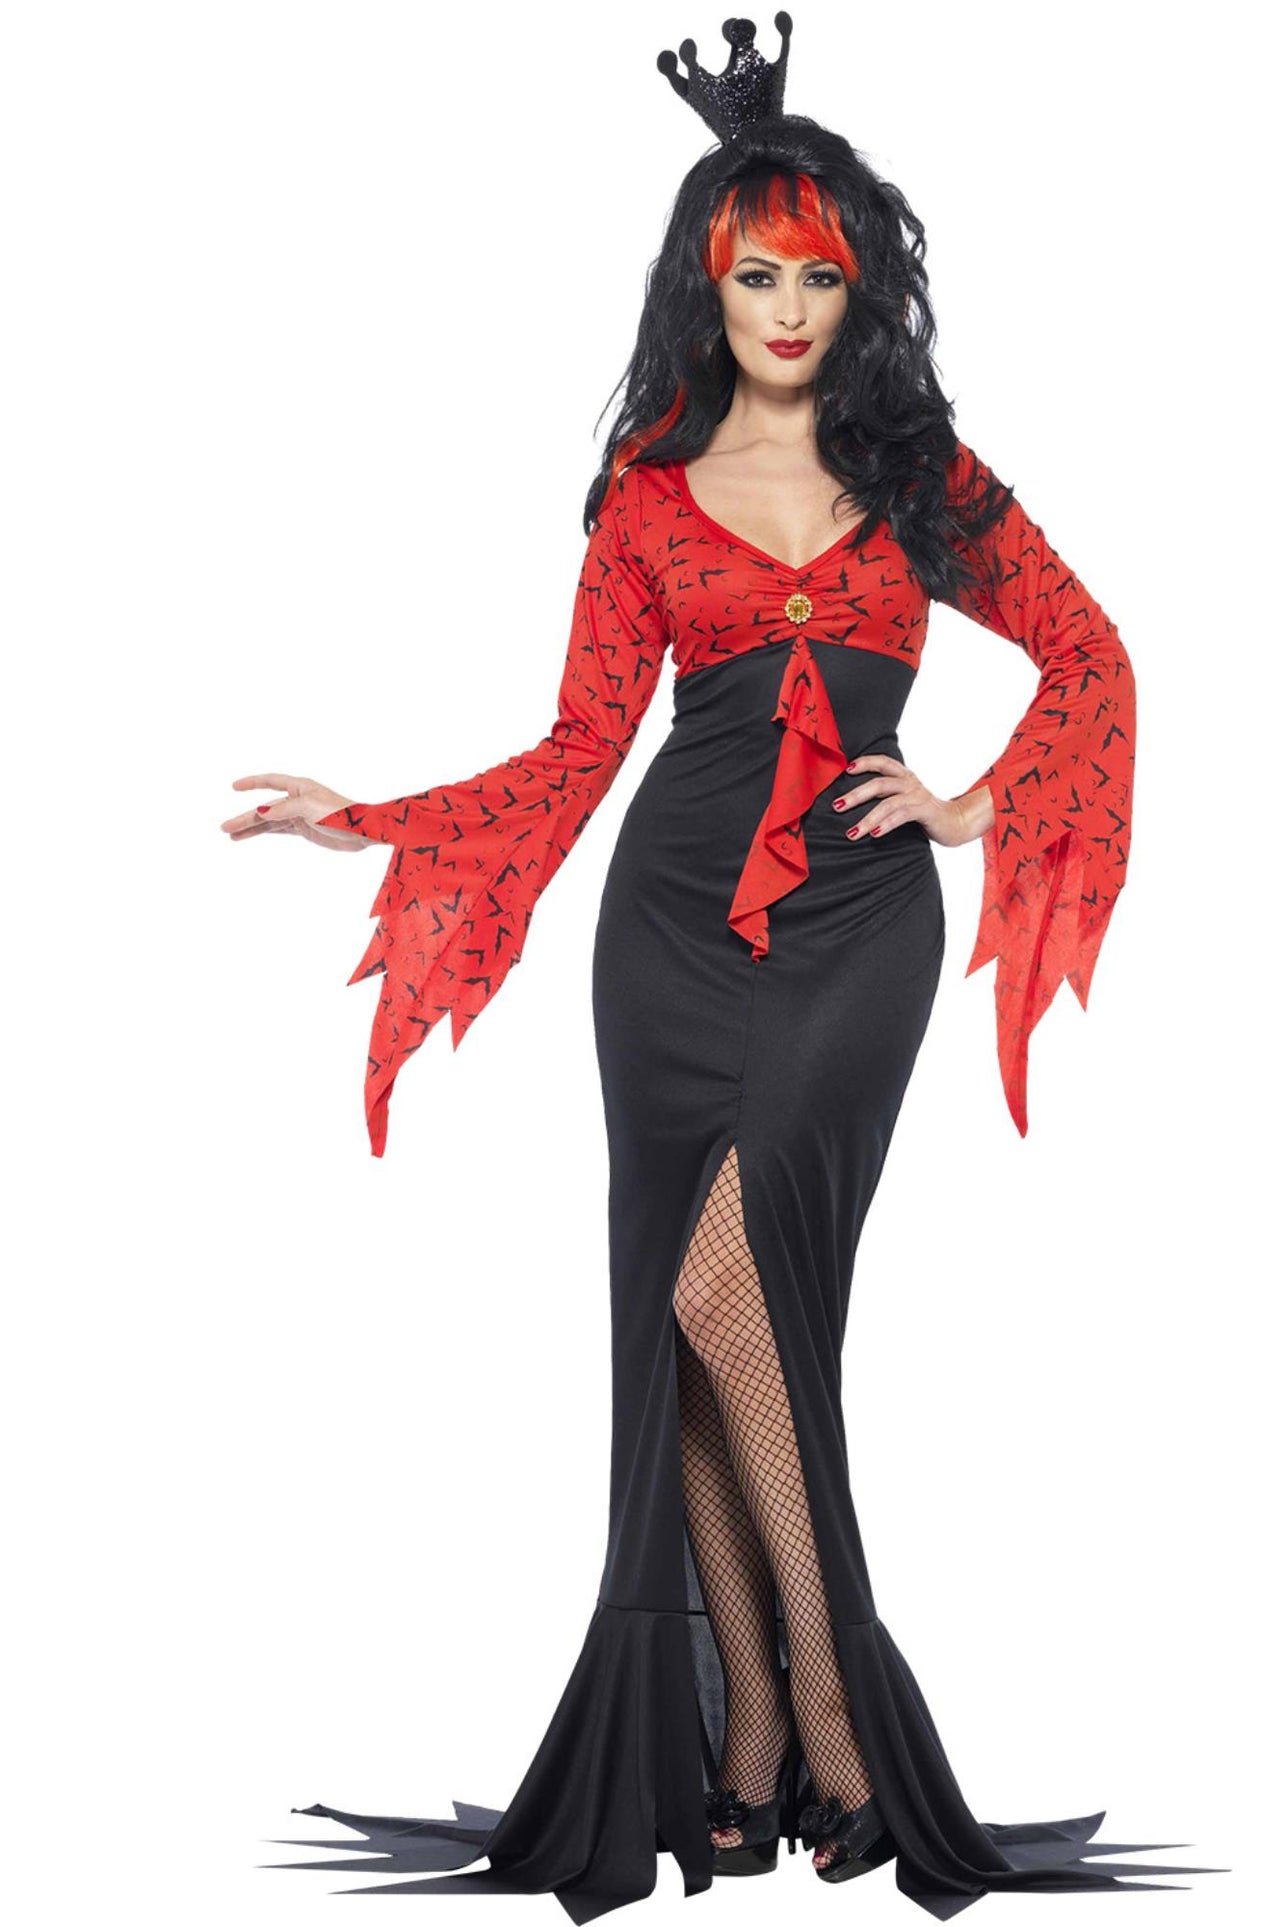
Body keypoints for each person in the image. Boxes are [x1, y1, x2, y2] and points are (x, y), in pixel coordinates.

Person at [229, 16, 1216, 1922]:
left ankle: (825, 1711)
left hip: (855, 929)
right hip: (668, 926)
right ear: (707, 286)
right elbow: (576, 751)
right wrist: (369, 819)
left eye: (816, 280)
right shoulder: (644, 493)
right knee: (682, 1308)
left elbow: (1092, 652)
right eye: (754, 277)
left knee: (732, 1286)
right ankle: (750, 1733)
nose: (784, 310)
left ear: (860, 294)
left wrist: (966, 805)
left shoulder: (920, 475)